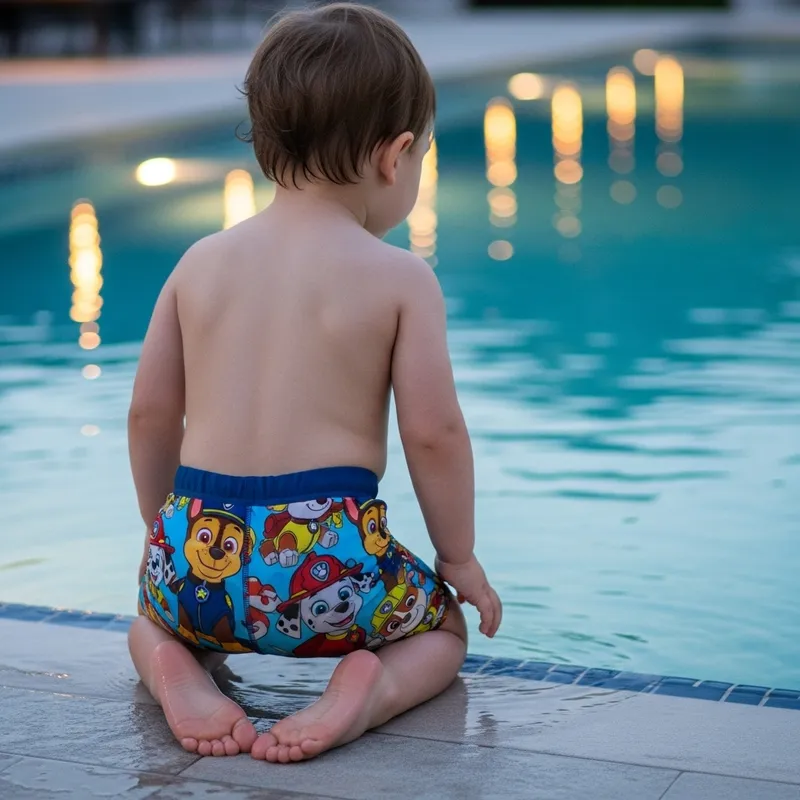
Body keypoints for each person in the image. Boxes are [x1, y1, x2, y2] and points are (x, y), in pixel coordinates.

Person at [127, 2, 502, 765]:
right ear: (395, 157)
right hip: (326, 564)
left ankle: (176, 666)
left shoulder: (199, 262)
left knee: (149, 618)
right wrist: (456, 559)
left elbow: (149, 413)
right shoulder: (400, 278)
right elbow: (433, 433)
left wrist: (160, 531)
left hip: (196, 558)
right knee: (442, 634)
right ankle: (365, 692)